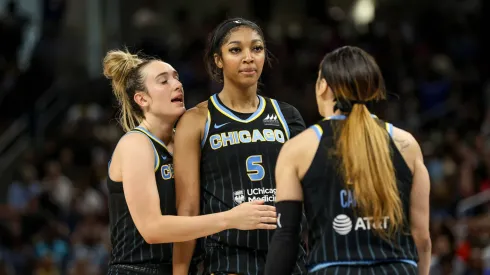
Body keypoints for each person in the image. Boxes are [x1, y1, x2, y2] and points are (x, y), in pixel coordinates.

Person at [103, 49, 278, 275]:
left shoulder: (185, 143)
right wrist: (231, 218)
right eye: (163, 81)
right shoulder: (136, 144)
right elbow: (152, 228)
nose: (177, 84)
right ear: (142, 99)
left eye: (176, 77)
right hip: (136, 269)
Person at [264, 46, 431, 275]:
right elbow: (421, 237)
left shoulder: (298, 148)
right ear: (371, 89)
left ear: (323, 86)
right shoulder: (407, 144)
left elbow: (286, 237)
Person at [172, 18, 308, 275]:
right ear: (218, 60)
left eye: (256, 48)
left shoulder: (287, 116)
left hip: (289, 260)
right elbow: (187, 210)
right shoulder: (196, 120)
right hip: (228, 261)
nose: (249, 57)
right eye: (236, 50)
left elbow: (308, 196)